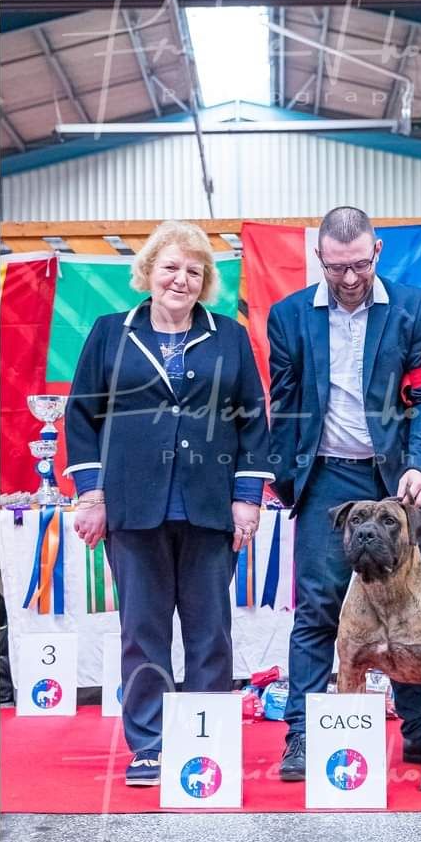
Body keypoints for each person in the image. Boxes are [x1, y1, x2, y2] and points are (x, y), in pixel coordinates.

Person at [268, 206, 421, 780]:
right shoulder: (288, 317)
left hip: (397, 482)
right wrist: (282, 477)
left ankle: (420, 737)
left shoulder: (413, 307)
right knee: (317, 608)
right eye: (336, 267)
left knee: (414, 610)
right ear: (319, 257)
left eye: (359, 265)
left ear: (377, 253)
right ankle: (303, 737)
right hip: (326, 479)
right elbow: (285, 405)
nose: (348, 278)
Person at [65, 220, 273, 786]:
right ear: (148, 272)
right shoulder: (110, 332)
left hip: (209, 508)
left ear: (205, 282)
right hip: (132, 509)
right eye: (170, 267)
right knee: (143, 633)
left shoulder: (228, 337)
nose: (181, 279)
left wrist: (247, 497)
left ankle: (205, 741)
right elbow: (81, 416)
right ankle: (150, 746)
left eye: (194, 271)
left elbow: (252, 419)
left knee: (211, 634)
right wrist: (92, 495)